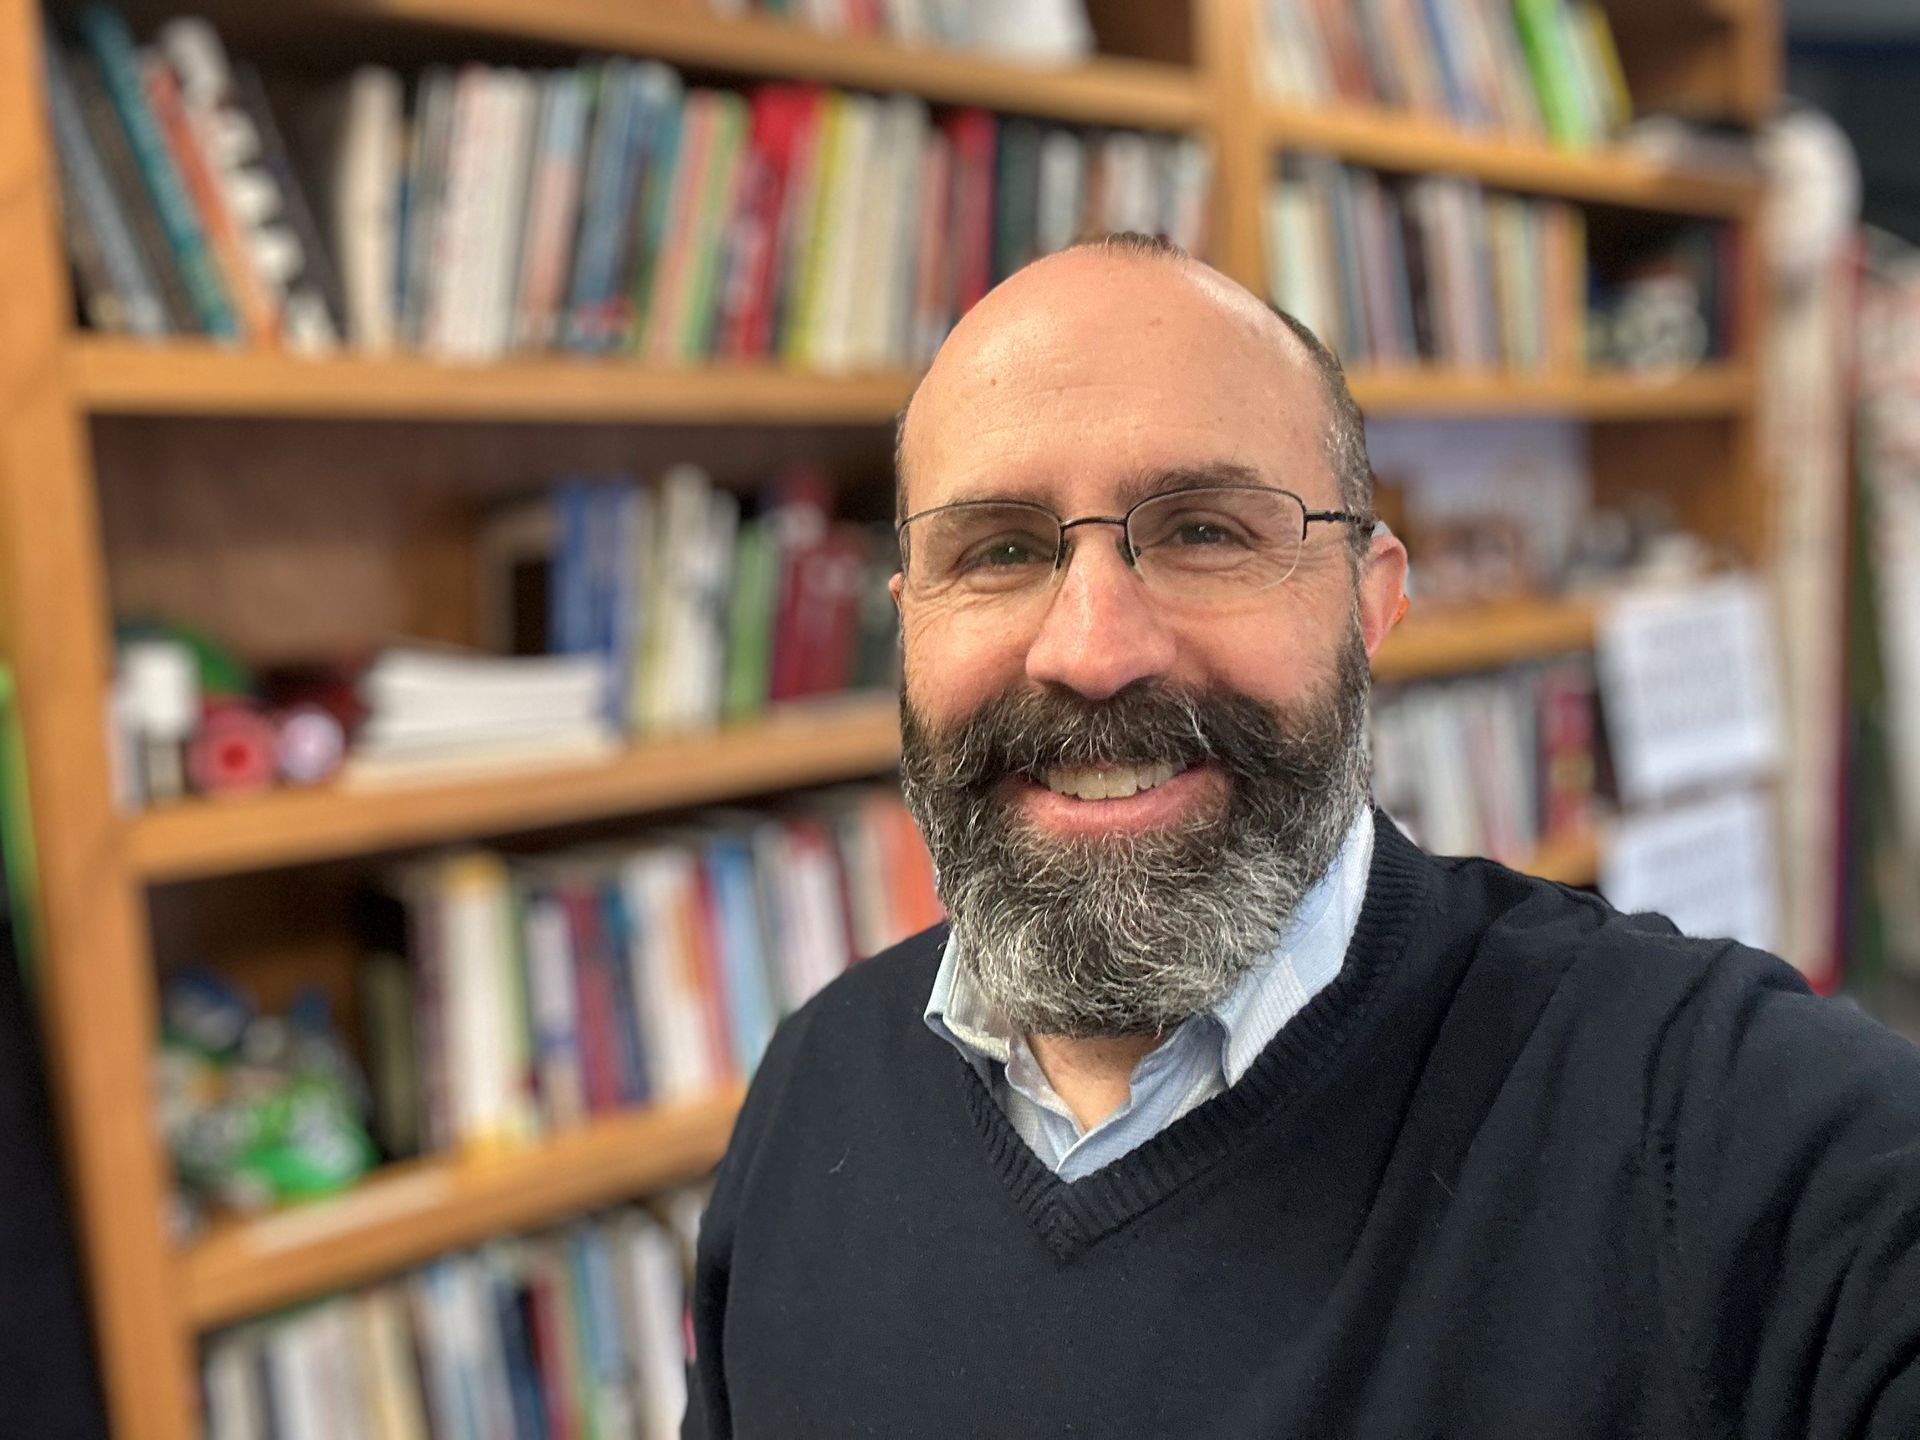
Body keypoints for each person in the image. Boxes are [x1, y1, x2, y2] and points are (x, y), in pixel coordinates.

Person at [683, 234, 1920, 1439]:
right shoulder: (812, 1094)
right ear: (907, 627)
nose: (1093, 651)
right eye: (998, 551)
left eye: (1206, 531)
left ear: (1372, 604)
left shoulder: (1724, 1129)